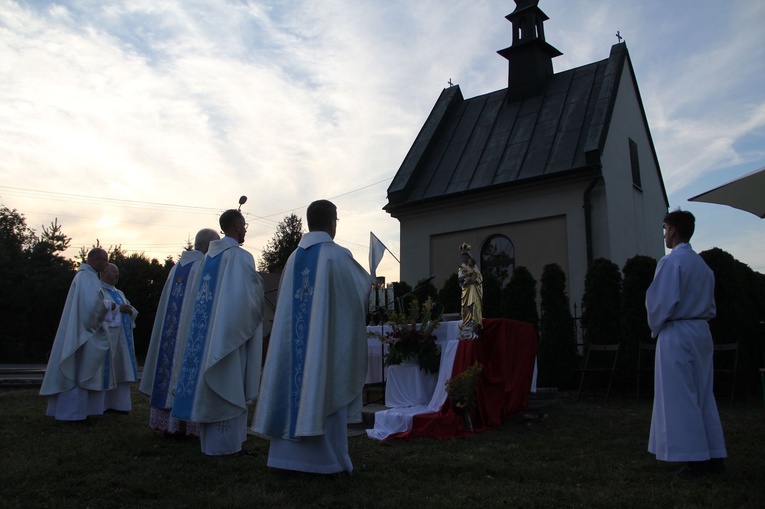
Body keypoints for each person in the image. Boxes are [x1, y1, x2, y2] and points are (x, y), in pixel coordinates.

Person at [252, 199, 371, 475]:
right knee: (322, 380)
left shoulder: (294, 258)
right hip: (322, 348)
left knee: (292, 382)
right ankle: (325, 460)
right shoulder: (338, 256)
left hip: (291, 348)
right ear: (332, 222)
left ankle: (286, 457)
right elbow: (358, 295)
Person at [171, 210, 264, 456]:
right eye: (244, 225)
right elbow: (247, 299)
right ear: (235, 226)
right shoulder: (241, 257)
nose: (246, 230)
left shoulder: (207, 259)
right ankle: (226, 445)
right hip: (231, 335)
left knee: (209, 384)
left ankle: (210, 442)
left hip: (206, 335)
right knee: (230, 380)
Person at [645, 209, 727, 479]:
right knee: (703, 394)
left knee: (681, 396)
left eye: (665, 227)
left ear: (674, 230)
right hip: (701, 332)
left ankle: (695, 461)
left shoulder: (672, 263)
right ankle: (714, 455)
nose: (664, 233)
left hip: (678, 332)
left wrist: (656, 326)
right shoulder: (702, 266)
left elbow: (660, 302)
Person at [139, 228, 219, 436]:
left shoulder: (176, 268)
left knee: (170, 367)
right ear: (208, 246)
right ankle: (187, 425)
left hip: (172, 333)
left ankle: (170, 424)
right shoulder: (203, 266)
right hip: (192, 334)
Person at [40, 248, 114, 421]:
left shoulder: (88, 277)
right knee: (77, 371)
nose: (107, 263)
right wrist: (107, 306)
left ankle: (79, 412)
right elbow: (90, 307)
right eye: (105, 260)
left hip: (82, 332)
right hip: (81, 336)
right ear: (95, 259)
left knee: (79, 371)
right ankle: (72, 414)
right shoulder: (86, 278)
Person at [99, 263, 139, 413]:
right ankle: (103, 405)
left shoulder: (119, 293)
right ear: (103, 272)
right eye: (113, 272)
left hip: (123, 339)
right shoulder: (99, 290)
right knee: (108, 371)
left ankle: (120, 405)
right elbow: (99, 309)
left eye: (118, 273)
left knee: (122, 370)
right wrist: (118, 308)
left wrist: (130, 310)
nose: (117, 275)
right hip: (108, 338)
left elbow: (128, 308)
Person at [458, 245, 483, 328]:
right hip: (465, 288)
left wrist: (474, 280)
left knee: (472, 303)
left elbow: (479, 277)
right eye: (463, 257)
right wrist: (464, 275)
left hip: (472, 287)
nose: (464, 258)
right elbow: (459, 278)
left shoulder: (474, 266)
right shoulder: (461, 268)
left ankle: (473, 320)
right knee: (464, 306)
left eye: (465, 256)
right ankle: (466, 321)